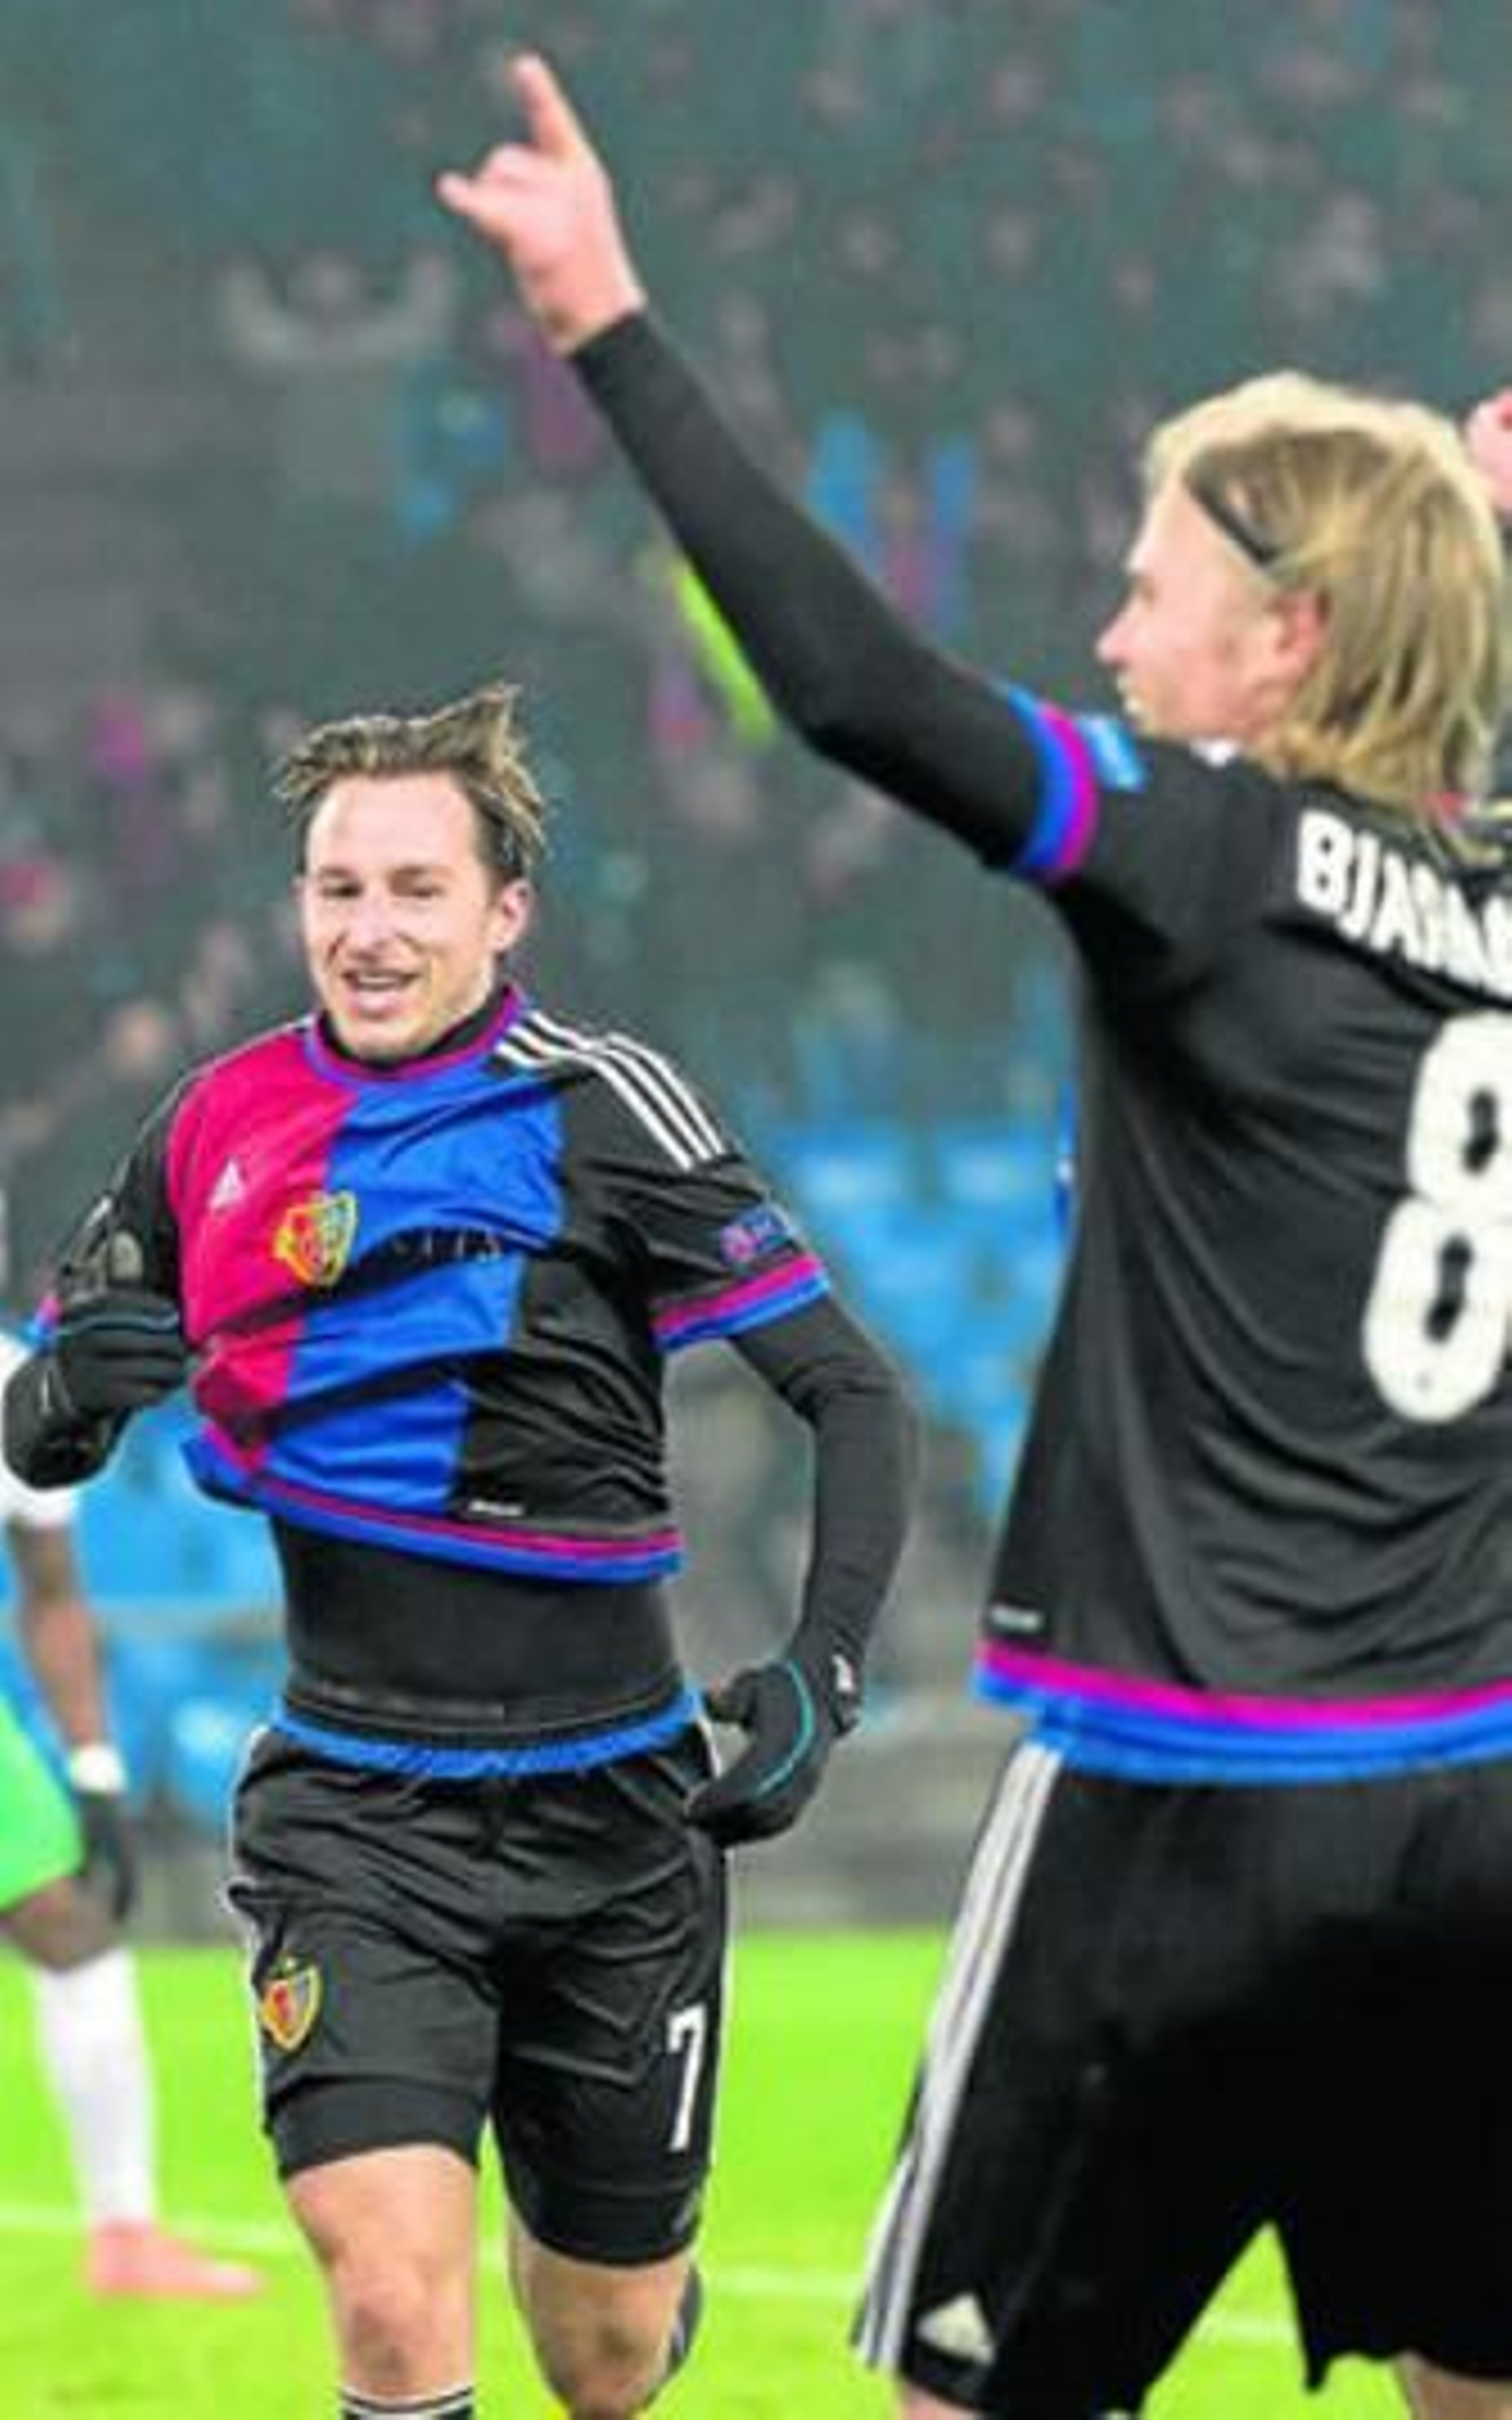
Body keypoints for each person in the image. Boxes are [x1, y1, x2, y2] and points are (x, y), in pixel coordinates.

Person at [435, 56, 1512, 2420]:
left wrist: (608, 320)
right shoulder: (1485, 896)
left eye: (1153, 594)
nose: (1113, 641)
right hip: (1470, 1802)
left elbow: (855, 692)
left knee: (970, 2398)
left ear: (1291, 645)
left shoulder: (1210, 847)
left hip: (1184, 1788)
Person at [4, 681, 916, 2420]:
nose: (368, 929)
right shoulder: (208, 1126)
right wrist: (63, 1400)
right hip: (353, 1811)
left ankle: (640, 2296)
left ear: (506, 913)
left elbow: (856, 1397)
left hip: (614, 1818)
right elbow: (44, 1409)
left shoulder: (605, 1107)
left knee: (605, 2360)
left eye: (415, 889)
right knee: (393, 2303)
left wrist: (828, 1665)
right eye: (338, 889)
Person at [0, 1325, 261, 2303]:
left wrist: (95, 1765)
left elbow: (54, 1594)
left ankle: (125, 2234)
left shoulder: (20, 1383)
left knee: (75, 1932)